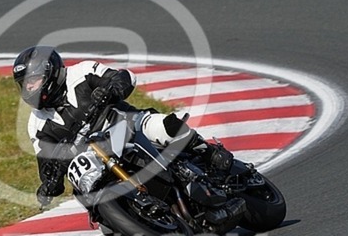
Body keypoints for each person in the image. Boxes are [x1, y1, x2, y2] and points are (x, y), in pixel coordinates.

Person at [12, 45, 226, 208]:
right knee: (90, 202)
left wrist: (111, 90)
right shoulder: (36, 124)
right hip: (95, 158)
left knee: (166, 128)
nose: (29, 88)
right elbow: (46, 163)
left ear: (50, 73)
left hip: (128, 124)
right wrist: (49, 184)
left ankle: (208, 152)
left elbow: (124, 77)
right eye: (24, 84)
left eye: (33, 80)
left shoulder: (82, 72)